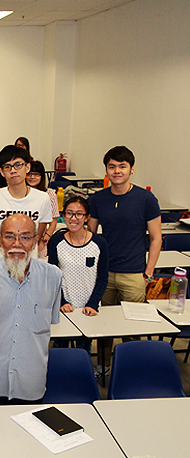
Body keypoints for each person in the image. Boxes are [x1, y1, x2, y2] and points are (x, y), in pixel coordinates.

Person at [0, 214, 62, 405]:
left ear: (35, 241)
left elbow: (51, 321)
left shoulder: (53, 276)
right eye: (10, 236)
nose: (17, 244)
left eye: (25, 237)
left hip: (30, 380)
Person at [87, 145, 162, 375]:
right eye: (112, 166)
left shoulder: (146, 199)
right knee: (104, 325)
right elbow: (90, 236)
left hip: (134, 273)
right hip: (105, 273)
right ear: (106, 171)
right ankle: (103, 364)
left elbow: (156, 238)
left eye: (122, 166)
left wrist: (148, 272)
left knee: (132, 326)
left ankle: (129, 367)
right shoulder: (98, 199)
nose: (117, 171)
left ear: (132, 169)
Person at [48, 197, 109, 353]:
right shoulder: (56, 241)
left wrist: (93, 303)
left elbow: (102, 278)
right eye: (69, 213)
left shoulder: (99, 243)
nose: (73, 218)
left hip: (87, 308)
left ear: (87, 217)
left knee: (83, 350)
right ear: (64, 215)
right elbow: (52, 278)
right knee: (60, 349)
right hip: (64, 306)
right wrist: (61, 301)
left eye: (79, 214)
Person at [0, 146, 52, 258]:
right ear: (2, 172)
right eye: (7, 167)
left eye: (18, 165)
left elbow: (38, 236)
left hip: (28, 265)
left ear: (27, 167)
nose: (13, 170)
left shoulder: (43, 198)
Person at [26, 160, 59, 257]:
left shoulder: (50, 194)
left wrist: (43, 243)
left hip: (41, 244)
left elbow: (53, 223)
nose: (32, 177)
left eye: (36, 174)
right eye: (29, 174)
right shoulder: (22, 195)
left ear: (42, 176)